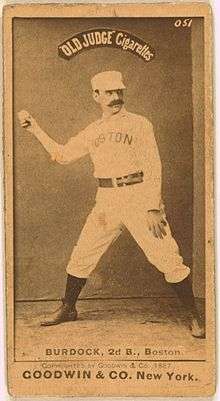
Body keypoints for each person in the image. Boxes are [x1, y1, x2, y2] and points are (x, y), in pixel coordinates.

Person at [18, 70, 205, 338]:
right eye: (108, 92)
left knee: (165, 256)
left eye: (119, 91)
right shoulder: (93, 130)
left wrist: (153, 206)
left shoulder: (140, 123)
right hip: (107, 199)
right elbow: (62, 155)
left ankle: (194, 316)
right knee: (83, 253)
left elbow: (153, 164)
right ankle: (68, 307)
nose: (115, 97)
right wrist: (35, 129)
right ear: (96, 95)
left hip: (138, 195)